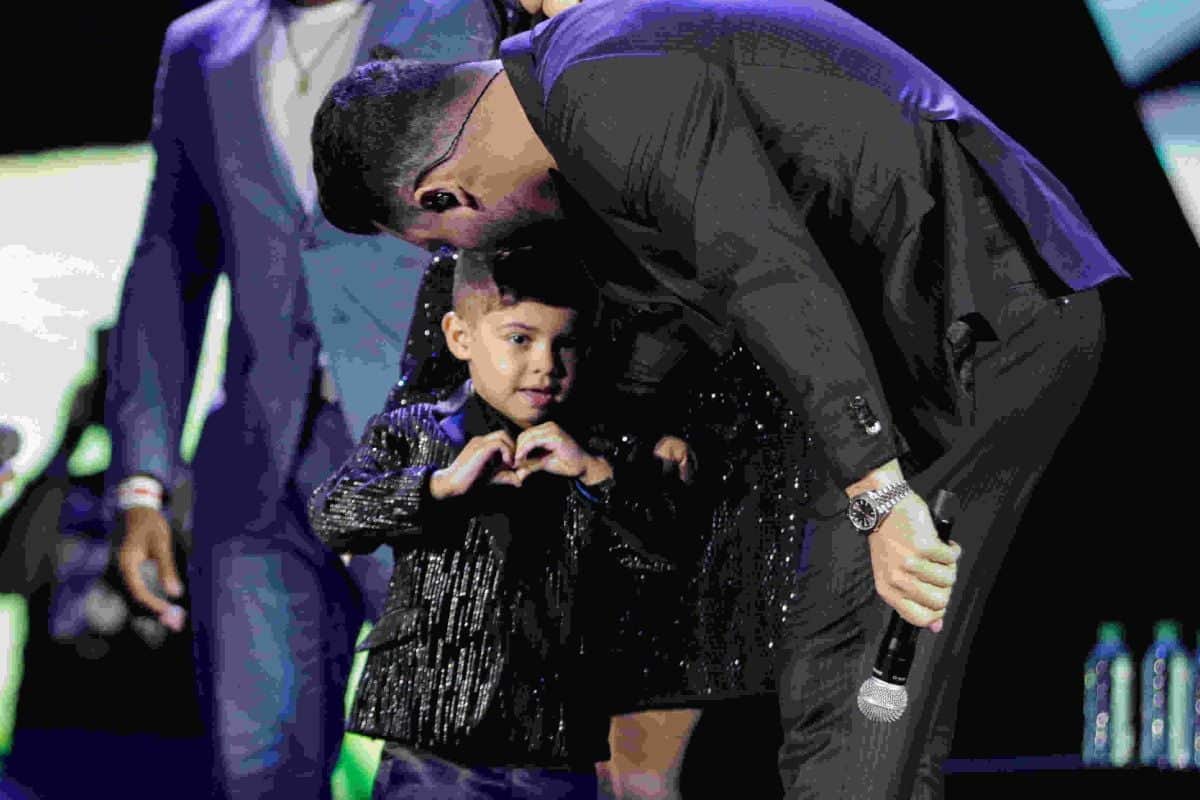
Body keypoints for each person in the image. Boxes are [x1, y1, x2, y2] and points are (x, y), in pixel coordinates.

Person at [308, 1, 1130, 797]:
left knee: (853, 681)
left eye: (435, 244)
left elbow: (767, 272)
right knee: (859, 688)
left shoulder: (602, 86)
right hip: (936, 329)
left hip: (983, 318)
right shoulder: (575, 84)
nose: (469, 253)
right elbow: (685, 302)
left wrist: (880, 493)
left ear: (442, 196)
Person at [104, 1, 526, 796]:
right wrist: (141, 480)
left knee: (449, 763)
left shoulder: (459, 12)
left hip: (441, 454)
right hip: (257, 468)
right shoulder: (203, 45)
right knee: (258, 772)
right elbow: (167, 263)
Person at [308, 245, 690, 798]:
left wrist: (596, 476)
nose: (545, 364)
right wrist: (439, 485)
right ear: (460, 336)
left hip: (553, 746)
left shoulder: (595, 448)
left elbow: (660, 560)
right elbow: (332, 515)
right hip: (430, 739)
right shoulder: (414, 431)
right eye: (520, 339)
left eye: (565, 343)